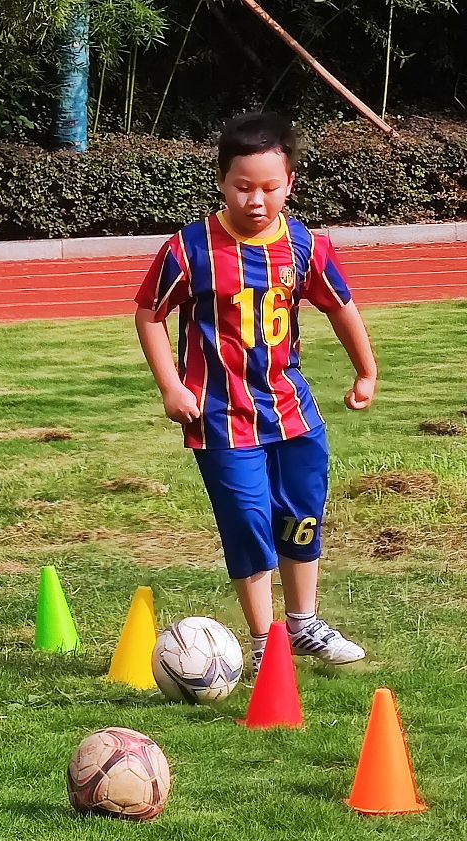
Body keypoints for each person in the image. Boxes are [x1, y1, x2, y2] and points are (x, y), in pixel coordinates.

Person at [133, 112, 378, 673]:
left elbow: (340, 306)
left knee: (300, 516)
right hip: (219, 418)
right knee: (247, 522)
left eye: (270, 187)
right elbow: (149, 313)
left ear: (290, 183)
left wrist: (366, 370)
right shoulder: (189, 249)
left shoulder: (304, 245)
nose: (257, 200)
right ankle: (267, 641)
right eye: (244, 187)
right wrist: (172, 385)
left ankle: (303, 625)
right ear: (221, 181)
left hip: (292, 413)